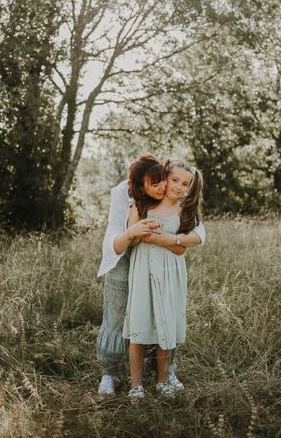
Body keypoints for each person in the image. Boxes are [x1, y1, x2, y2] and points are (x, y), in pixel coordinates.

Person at [96, 154, 205, 395]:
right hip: (127, 259)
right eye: (155, 184)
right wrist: (133, 231)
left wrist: (169, 238)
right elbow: (116, 239)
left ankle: (165, 373)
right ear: (139, 187)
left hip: (163, 264)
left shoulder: (176, 196)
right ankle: (110, 373)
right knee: (120, 319)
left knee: (164, 317)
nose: (164, 186)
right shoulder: (125, 196)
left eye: (162, 180)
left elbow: (195, 232)